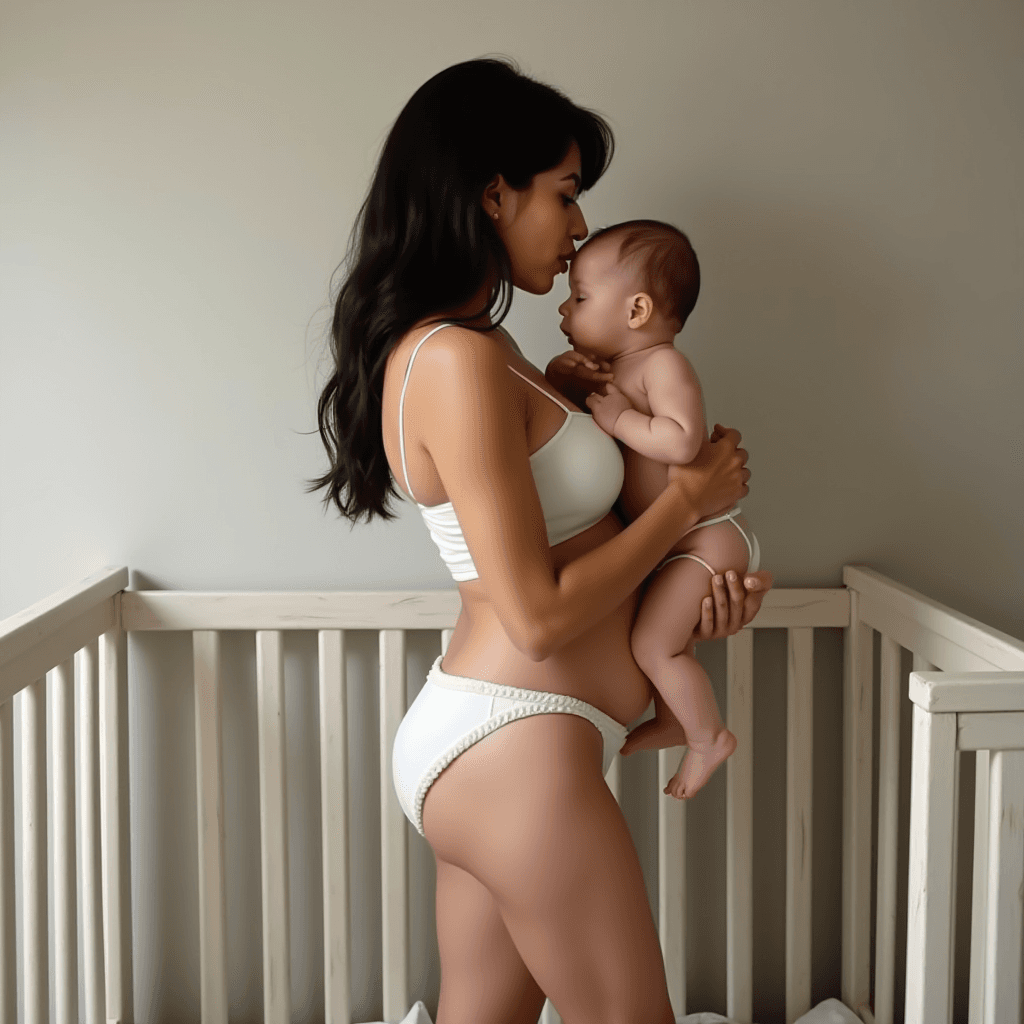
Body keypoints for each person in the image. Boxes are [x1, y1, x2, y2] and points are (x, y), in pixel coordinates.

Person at [309, 57, 773, 1024]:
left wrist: (691, 591)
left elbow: (574, 553)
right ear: (491, 193)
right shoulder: (455, 363)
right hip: (516, 744)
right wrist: (686, 507)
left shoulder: (488, 352)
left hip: (510, 742)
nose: (576, 233)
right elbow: (536, 612)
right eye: (563, 195)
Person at [545, 220, 760, 801]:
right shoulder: (616, 373)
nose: (564, 310)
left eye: (581, 297)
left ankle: (707, 736)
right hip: (677, 541)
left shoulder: (664, 365)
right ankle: (674, 718)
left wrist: (618, 420)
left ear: (637, 310)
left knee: (653, 646)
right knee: (663, 640)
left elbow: (684, 442)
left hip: (706, 537)